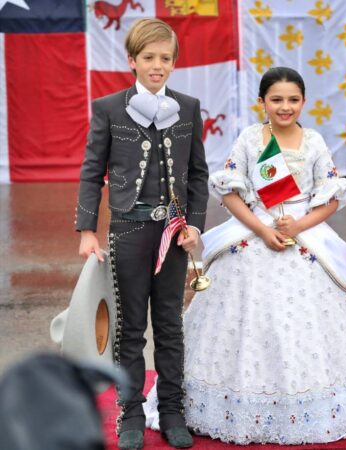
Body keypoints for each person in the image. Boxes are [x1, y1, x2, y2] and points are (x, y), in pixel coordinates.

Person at [154, 66, 346, 445]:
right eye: (277, 99)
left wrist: (298, 227)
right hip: (255, 231)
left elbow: (331, 197)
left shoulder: (313, 141)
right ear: (262, 102)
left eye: (293, 100)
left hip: (303, 232)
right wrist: (264, 230)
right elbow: (230, 192)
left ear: (304, 102)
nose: (286, 107)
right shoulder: (250, 140)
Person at [75, 18, 208, 450]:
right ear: (132, 61)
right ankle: (129, 412)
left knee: (169, 325)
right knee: (130, 328)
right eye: (148, 58)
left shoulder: (188, 107)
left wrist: (195, 226)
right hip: (129, 230)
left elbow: (199, 175)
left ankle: (172, 411)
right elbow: (92, 171)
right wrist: (87, 230)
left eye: (165, 58)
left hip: (172, 232)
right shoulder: (110, 108)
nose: (157, 66)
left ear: (173, 63)